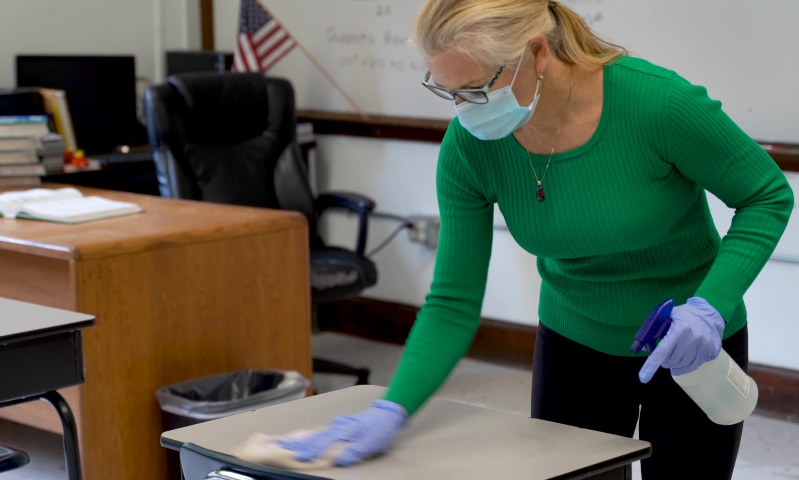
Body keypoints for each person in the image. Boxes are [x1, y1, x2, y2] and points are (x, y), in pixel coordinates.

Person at [281, 0, 794, 478]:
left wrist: (711, 306)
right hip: (575, 345)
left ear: (537, 53)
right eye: (448, 91)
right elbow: (454, 301)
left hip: (692, 345)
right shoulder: (469, 149)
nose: (465, 109)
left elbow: (767, 196)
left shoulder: (657, 104)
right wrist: (394, 405)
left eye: (478, 88)